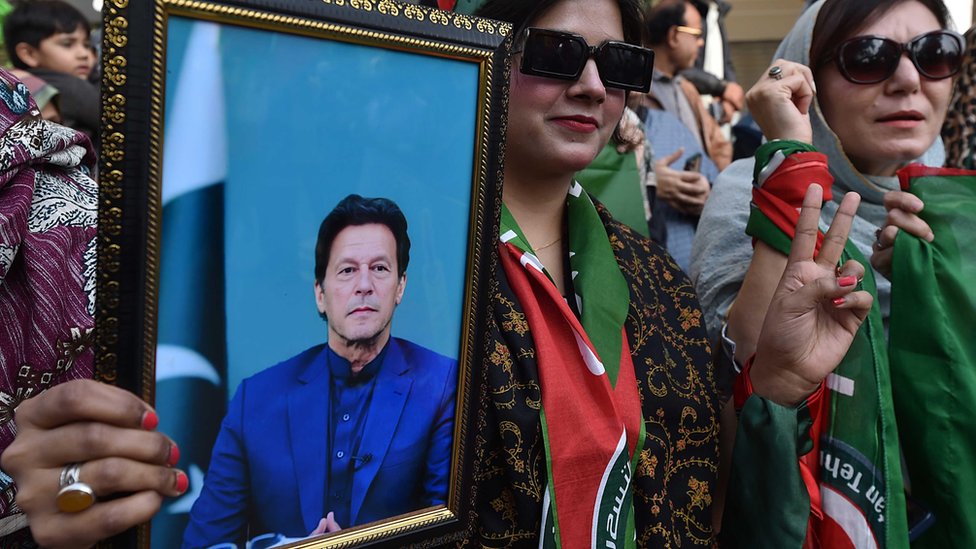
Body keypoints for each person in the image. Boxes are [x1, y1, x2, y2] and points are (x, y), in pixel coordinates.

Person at [2, 0, 874, 546]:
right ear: (483, 54)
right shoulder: (392, 275)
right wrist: (86, 497)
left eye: (618, 65)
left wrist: (779, 383)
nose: (592, 87)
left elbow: (701, 488)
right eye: (557, 55)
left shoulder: (652, 276)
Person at [691, 0, 968, 545]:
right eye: (869, 57)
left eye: (935, 53)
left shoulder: (953, 206)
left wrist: (932, 294)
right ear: (807, 81)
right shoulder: (752, 190)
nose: (909, 80)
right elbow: (732, 404)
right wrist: (790, 175)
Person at [183, 194, 457, 546]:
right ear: (320, 294)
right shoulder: (256, 398)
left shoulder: (443, 385)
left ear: (400, 286)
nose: (364, 285)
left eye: (379, 268)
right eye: (347, 270)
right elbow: (204, 543)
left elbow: (452, 537)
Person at [639, 0, 731, 269]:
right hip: (653, 246)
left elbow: (717, 149)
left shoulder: (687, 90)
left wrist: (711, 191)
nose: (701, 43)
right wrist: (647, 182)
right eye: (697, 35)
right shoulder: (633, 93)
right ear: (673, 35)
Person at [3, 0, 99, 144]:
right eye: (68, 44)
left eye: (87, 45)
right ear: (29, 54)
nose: (84, 54)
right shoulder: (72, 87)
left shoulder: (14, 84)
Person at [682, 0, 744, 126]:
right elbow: (678, 68)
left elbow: (726, 63)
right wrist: (721, 87)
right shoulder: (681, 10)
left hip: (719, 113)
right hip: (689, 112)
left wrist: (729, 99)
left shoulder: (716, 11)